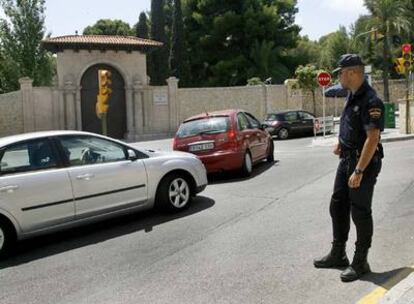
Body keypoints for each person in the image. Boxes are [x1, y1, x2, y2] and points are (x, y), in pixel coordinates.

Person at [313, 54, 384, 282]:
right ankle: (338, 253)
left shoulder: (371, 100)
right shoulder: (352, 95)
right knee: (338, 205)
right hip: (346, 158)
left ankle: (361, 261)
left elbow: (372, 138)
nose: (339, 76)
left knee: (360, 212)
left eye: (341, 72)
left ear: (352, 72)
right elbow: (353, 127)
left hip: (362, 163)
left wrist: (359, 170)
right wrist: (341, 143)